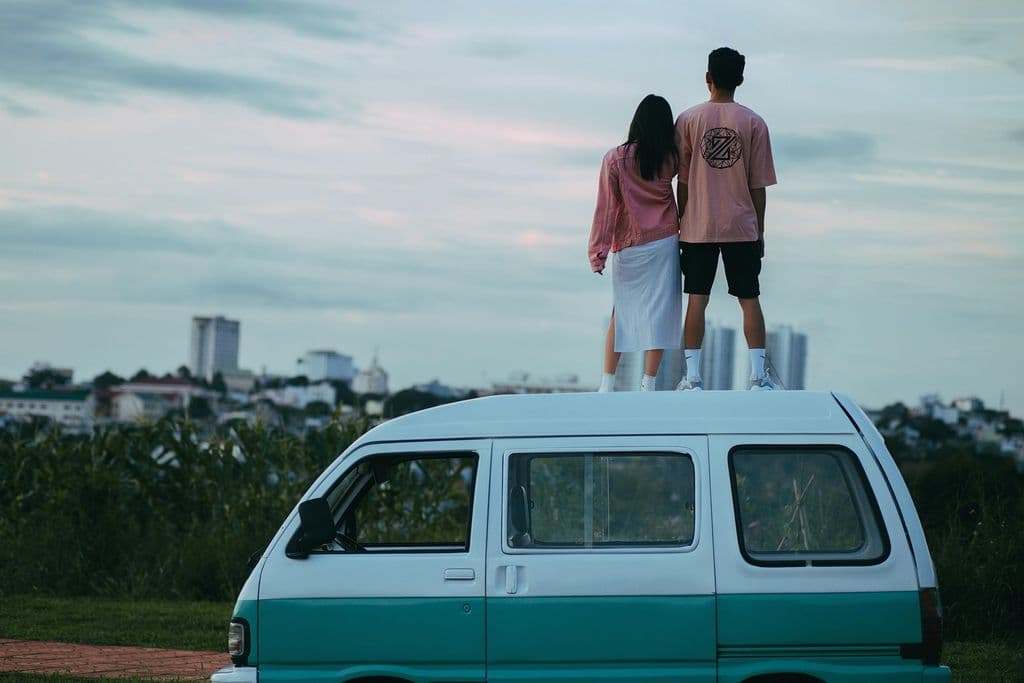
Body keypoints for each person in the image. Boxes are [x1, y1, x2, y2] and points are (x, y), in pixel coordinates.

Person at [674, 47, 778, 391]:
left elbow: (684, 181)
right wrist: (759, 230)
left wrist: (681, 219)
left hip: (698, 226)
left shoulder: (688, 120)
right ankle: (758, 377)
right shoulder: (754, 123)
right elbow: (758, 186)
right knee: (749, 299)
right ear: (741, 79)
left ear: (708, 78)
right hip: (741, 225)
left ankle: (692, 378)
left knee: (696, 299)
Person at [589, 94, 681, 392]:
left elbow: (606, 209)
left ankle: (607, 383)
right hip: (665, 241)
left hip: (628, 244)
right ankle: (649, 382)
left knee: (622, 311)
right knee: (660, 312)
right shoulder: (671, 157)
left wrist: (598, 252)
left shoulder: (614, 158)